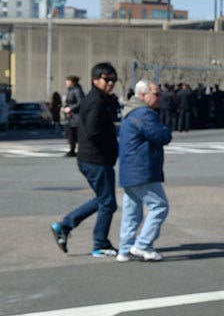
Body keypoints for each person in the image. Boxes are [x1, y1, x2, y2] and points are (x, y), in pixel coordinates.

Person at [51, 63, 121, 257]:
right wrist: (110, 146)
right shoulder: (95, 102)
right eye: (107, 79)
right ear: (95, 80)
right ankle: (100, 243)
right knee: (107, 203)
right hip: (95, 159)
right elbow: (92, 131)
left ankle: (64, 226)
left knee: (103, 200)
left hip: (94, 159)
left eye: (114, 80)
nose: (111, 83)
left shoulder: (100, 99)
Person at [116, 80, 172, 262]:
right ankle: (143, 245)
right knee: (160, 205)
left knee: (132, 212)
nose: (159, 98)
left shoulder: (129, 112)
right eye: (156, 94)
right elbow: (161, 136)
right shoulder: (144, 114)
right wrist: (166, 127)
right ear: (143, 95)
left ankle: (124, 250)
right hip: (142, 169)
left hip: (129, 169)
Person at [62, 75, 85, 157]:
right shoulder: (71, 90)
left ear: (73, 82)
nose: (66, 83)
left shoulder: (77, 90)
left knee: (75, 133)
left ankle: (75, 150)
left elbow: (81, 102)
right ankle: (72, 149)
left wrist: (70, 108)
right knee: (71, 134)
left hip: (76, 116)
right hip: (72, 116)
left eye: (68, 82)